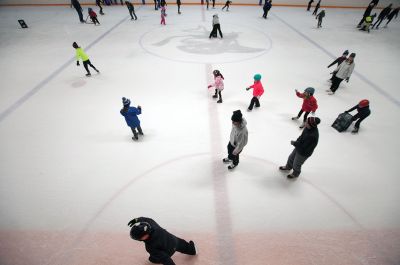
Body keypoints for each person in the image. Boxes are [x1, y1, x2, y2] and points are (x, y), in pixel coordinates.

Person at [128, 217, 196, 265]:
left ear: (142, 237)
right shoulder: (153, 224)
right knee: (184, 245)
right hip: (175, 241)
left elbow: (165, 259)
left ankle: (154, 259)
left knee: (153, 259)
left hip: (168, 251)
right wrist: (136, 220)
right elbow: (147, 219)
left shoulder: (150, 247)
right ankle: (192, 250)